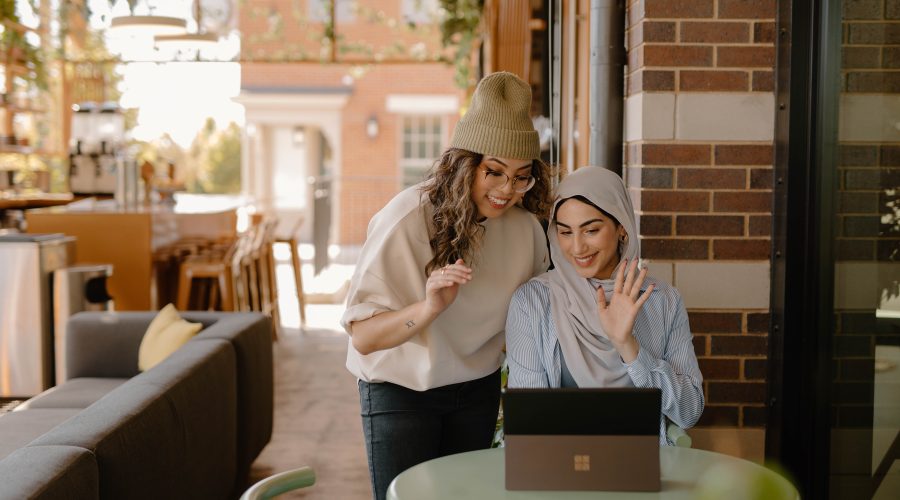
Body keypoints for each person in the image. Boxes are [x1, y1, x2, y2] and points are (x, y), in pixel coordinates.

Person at [341, 72, 553, 500]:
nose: (506, 190)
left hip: (476, 391)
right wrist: (429, 309)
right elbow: (363, 337)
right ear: (464, 163)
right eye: (494, 172)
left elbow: (533, 321)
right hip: (401, 393)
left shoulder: (526, 230)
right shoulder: (406, 220)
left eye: (521, 176)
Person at [505, 166, 704, 443]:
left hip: (641, 467)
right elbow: (529, 422)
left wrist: (628, 346)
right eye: (565, 232)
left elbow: (689, 412)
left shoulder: (663, 301)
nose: (577, 248)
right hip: (557, 467)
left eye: (591, 230)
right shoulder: (532, 303)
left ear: (621, 226)